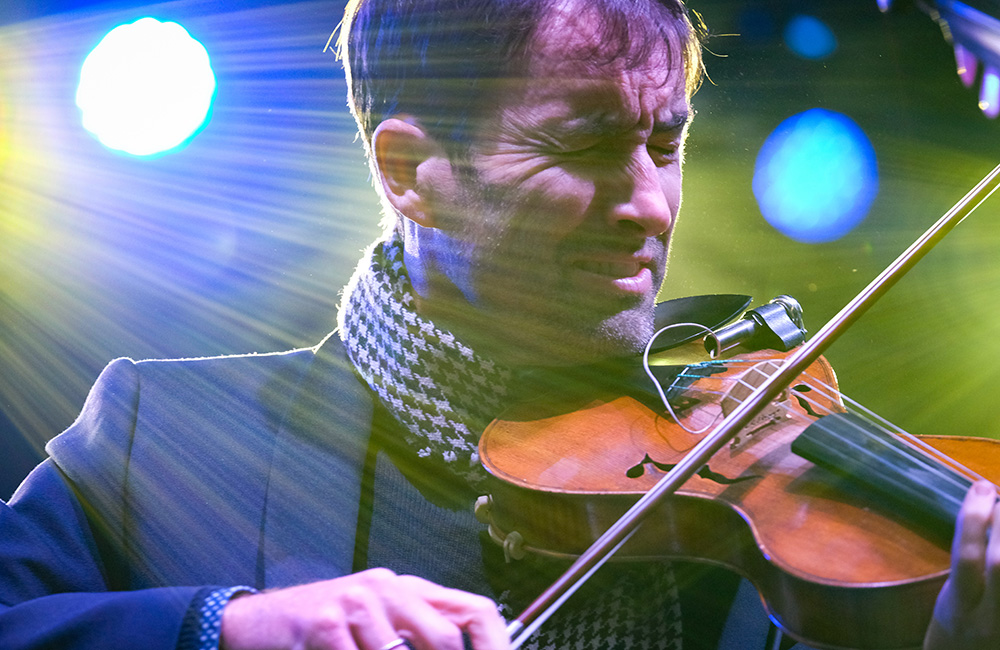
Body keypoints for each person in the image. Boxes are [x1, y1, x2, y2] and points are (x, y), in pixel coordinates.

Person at [0, 1, 997, 649]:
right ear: (411, 172)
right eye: (588, 144)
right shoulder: (163, 428)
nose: (649, 204)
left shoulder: (776, 530)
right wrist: (231, 627)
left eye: (665, 142)